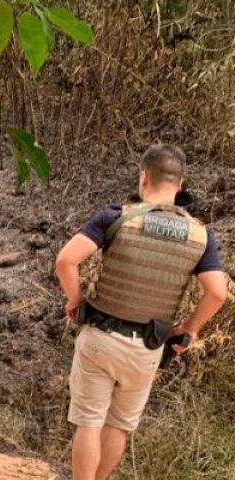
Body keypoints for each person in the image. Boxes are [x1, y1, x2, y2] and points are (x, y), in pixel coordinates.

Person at [55, 144, 228, 480]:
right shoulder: (201, 236)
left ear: (143, 178)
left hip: (101, 338)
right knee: (118, 426)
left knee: (89, 422)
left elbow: (66, 260)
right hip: (148, 348)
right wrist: (190, 329)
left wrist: (76, 301)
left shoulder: (115, 217)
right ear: (179, 185)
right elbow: (217, 292)